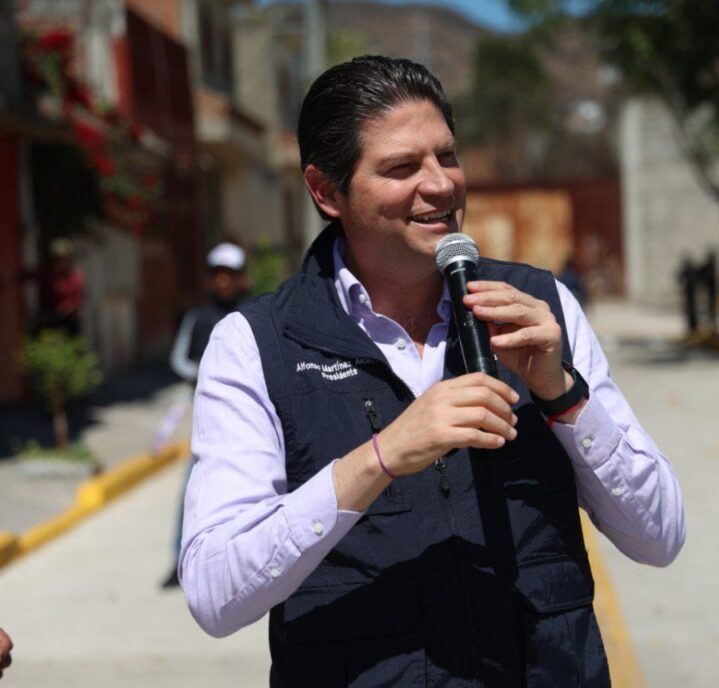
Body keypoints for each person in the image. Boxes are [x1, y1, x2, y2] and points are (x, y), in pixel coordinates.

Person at [180, 55, 684, 686]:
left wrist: (562, 395)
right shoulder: (257, 345)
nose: (442, 184)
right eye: (402, 167)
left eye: (447, 156)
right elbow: (215, 593)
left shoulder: (541, 308)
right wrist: (382, 457)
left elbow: (659, 535)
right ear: (327, 191)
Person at [160, 242, 248, 589]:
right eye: (217, 274)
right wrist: (207, 371)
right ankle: (179, 560)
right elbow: (178, 359)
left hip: (249, 418)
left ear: (241, 278)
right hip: (207, 424)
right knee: (192, 490)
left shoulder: (255, 312)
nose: (223, 282)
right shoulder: (198, 317)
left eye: (230, 274)